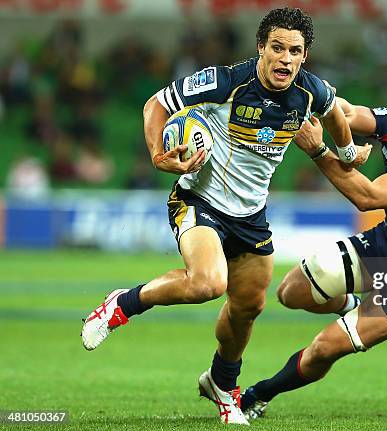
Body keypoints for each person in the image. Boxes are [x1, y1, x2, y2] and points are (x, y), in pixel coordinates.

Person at [80, 7, 369, 425]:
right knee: (207, 283)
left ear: (304, 56)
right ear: (260, 48)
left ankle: (222, 383)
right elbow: (155, 105)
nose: (285, 59)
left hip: (251, 216)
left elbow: (336, 116)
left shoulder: (312, 91)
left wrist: (346, 153)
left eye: (295, 51)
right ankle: (120, 304)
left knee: (248, 306)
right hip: (200, 202)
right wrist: (159, 156)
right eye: (277, 48)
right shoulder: (226, 82)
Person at [239, 64, 387, 419]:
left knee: (324, 348)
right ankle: (350, 306)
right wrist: (307, 89)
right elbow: (345, 112)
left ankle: (258, 394)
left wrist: (319, 151)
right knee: (291, 292)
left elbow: (369, 197)